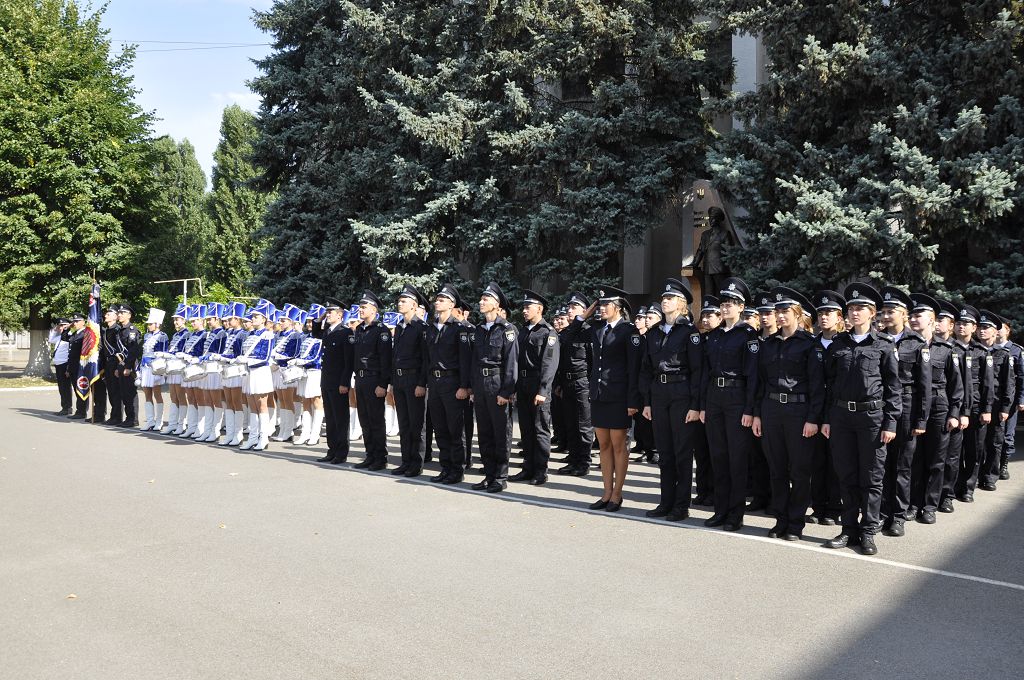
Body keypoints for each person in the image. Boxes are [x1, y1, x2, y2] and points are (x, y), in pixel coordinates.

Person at [822, 283, 901, 556]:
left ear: (872, 313)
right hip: (842, 417)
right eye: (851, 308)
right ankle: (848, 529)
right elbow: (829, 385)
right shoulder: (839, 344)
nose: (854, 313)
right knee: (846, 475)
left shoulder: (884, 345)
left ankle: (868, 532)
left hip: (872, 418)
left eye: (860, 308)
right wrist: (827, 419)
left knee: (872, 477)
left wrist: (891, 422)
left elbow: (893, 387)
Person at [751, 287, 825, 540]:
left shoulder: (809, 345)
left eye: (786, 311)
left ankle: (795, 523)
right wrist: (758, 414)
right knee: (777, 469)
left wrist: (813, 419)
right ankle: (780, 519)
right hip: (771, 410)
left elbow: (817, 386)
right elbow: (761, 383)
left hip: (799, 412)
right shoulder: (768, 345)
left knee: (800, 471)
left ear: (797, 314)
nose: (781, 316)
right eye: (778, 311)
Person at [640, 278, 702, 521]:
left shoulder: (689, 333)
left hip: (681, 394)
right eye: (664, 298)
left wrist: (695, 405)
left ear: (681, 303)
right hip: (659, 394)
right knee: (665, 452)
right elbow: (646, 369)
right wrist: (647, 401)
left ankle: (681, 505)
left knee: (682, 452)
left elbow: (697, 370)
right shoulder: (653, 333)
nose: (665, 301)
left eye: (670, 298)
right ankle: (666, 502)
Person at [700, 277, 759, 531]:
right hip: (715, 398)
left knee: (737, 459)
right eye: (723, 303)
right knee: (718, 457)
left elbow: (753, 375)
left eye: (731, 303)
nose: (725, 308)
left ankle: (735, 514)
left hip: (737, 398)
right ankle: (720, 510)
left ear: (741, 307)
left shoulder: (748, 335)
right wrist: (703, 405)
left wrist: (749, 409)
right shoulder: (714, 336)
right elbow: (705, 372)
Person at [878, 286, 931, 538]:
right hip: (882, 407)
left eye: (891, 312)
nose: (886, 316)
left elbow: (924, 385)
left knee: (902, 465)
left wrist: (921, 419)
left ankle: (898, 516)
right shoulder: (877, 340)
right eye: (884, 312)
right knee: (880, 464)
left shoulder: (917, 343)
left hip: (908, 406)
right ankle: (880, 512)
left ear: (904, 314)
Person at [907, 293, 963, 525]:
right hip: (913, 408)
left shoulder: (946, 349)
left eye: (918, 315)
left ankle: (930, 505)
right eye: (911, 315)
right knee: (913, 458)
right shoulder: (906, 346)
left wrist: (955, 413)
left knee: (936, 460)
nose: (913, 319)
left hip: (938, 408)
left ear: (931, 319)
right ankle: (913, 504)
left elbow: (956, 385)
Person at [584, 285, 641, 512]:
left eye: (606, 304)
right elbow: (570, 334)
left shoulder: (628, 331)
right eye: (599, 304)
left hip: (619, 396)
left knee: (619, 445)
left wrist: (633, 400)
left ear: (617, 307)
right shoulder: (598, 328)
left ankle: (617, 494)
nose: (601, 308)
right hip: (599, 394)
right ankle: (606, 492)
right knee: (604, 445)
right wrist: (585, 314)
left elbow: (634, 368)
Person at [469, 282, 519, 493]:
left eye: (486, 299)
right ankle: (489, 475)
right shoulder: (479, 329)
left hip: (497, 383)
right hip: (481, 385)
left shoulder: (507, 329)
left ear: (497, 304)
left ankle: (500, 476)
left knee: (501, 433)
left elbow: (511, 363)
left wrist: (506, 392)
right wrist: (473, 388)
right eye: (481, 298)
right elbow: (474, 361)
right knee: (484, 433)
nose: (481, 302)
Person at [424, 284, 473, 483]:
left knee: (455, 429)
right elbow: (427, 358)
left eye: (442, 300)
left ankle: (457, 470)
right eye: (437, 299)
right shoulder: (431, 328)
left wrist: (464, 386)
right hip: (435, 383)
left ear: (452, 305)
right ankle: (445, 467)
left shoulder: (459, 328)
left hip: (453, 382)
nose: (437, 302)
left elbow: (465, 360)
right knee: (440, 428)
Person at [509, 289, 559, 486]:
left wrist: (543, 390)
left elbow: (549, 363)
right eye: (523, 307)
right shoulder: (523, 331)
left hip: (537, 385)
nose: (524, 310)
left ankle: (540, 471)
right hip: (522, 384)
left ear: (539, 309)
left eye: (528, 307)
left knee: (540, 430)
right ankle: (527, 468)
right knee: (526, 429)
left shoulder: (548, 332)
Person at [808, 290, 846, 525]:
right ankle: (818, 506)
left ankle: (834, 508)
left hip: (836, 410)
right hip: (814, 409)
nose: (823, 317)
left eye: (829, 312)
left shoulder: (844, 344)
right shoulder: (811, 344)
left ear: (839, 317)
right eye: (821, 313)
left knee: (835, 462)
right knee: (816, 461)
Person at [951, 305, 993, 505]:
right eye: (959, 323)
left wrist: (987, 409)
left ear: (974, 327)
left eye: (966, 323)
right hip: (954, 407)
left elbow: (988, 383)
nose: (961, 326)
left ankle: (968, 488)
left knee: (974, 450)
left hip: (976, 408)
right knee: (954, 452)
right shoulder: (949, 348)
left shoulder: (981, 352)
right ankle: (953, 487)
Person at [390, 285, 429, 477]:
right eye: (399, 301)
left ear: (414, 305)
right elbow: (395, 356)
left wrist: (422, 383)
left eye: (404, 301)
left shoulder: (421, 328)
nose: (400, 304)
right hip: (399, 380)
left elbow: (425, 359)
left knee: (416, 425)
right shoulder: (399, 327)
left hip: (414, 380)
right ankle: (405, 461)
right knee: (404, 424)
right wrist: (392, 381)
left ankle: (416, 463)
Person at [350, 291, 392, 470]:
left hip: (374, 379)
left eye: (364, 307)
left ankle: (380, 458)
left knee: (376, 420)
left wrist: (383, 384)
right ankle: (370, 455)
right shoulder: (359, 329)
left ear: (374, 310)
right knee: (364, 419)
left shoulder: (381, 330)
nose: (360, 310)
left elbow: (385, 359)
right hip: (360, 379)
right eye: (360, 307)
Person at [555, 292, 595, 477]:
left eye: (574, 307)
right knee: (570, 424)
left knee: (583, 426)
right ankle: (573, 459)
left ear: (585, 311)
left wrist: (591, 386)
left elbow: (593, 362)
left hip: (582, 382)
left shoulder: (588, 331)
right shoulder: (568, 332)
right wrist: (559, 383)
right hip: (567, 382)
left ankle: (584, 462)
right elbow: (561, 357)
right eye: (569, 307)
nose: (570, 310)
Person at [976, 310, 1014, 491]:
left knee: (995, 442)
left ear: (995, 331)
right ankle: (975, 476)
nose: (982, 331)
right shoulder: (972, 352)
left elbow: (1009, 383)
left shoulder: (1004, 354)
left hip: (997, 404)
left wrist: (1005, 407)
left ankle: (990, 476)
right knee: (977, 443)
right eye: (980, 327)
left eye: (986, 327)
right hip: (977, 403)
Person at [692, 295, 721, 506]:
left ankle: (714, 491)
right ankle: (702, 489)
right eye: (703, 315)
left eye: (710, 315)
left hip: (716, 401)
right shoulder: (700, 340)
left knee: (714, 451)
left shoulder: (721, 340)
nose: (705, 319)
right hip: (700, 400)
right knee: (701, 450)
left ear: (720, 317)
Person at [317, 299, 354, 463]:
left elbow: (348, 361)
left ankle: (341, 452)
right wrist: (321, 317)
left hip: (339, 382)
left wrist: (344, 383)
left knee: (340, 418)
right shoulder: (328, 331)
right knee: (330, 418)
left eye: (330, 312)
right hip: (326, 380)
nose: (328, 315)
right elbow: (315, 331)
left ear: (340, 315)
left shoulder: (345, 332)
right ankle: (331, 450)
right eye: (327, 312)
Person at [238, 300, 277, 451]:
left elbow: (265, 357)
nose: (253, 318)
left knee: (261, 405)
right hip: (249, 372)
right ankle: (252, 437)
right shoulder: (250, 334)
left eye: (256, 316)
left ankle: (263, 437)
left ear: (263, 319)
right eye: (253, 316)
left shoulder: (268, 335)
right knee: (252, 405)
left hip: (260, 371)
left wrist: (247, 360)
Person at [218, 302, 249, 446]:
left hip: (236, 370)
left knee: (237, 401)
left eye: (231, 319)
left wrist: (227, 358)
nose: (228, 321)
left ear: (238, 319)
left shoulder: (243, 334)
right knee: (228, 401)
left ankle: (238, 434)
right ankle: (229, 434)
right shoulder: (228, 333)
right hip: (226, 368)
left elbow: (240, 354)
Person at [996, 321, 1024, 479]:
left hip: (1011, 399)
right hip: (993, 397)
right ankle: (992, 464)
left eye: (1001, 328)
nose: (997, 331)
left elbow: (1022, 377)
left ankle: (1004, 465)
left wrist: (1021, 399)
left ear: (1008, 331)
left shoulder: (1016, 350)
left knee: (1008, 434)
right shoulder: (989, 348)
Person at [161, 305, 191, 435]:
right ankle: (172, 424)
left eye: (177, 319)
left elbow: (185, 351)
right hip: (173, 367)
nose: (175, 322)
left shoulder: (187, 334)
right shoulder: (176, 335)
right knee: (173, 396)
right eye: (174, 320)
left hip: (180, 367)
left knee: (180, 396)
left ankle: (182, 424)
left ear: (184, 320)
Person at [138, 308, 168, 431]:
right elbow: (144, 352)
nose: (149, 325)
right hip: (145, 367)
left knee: (157, 394)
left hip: (155, 367)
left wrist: (160, 368)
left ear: (157, 324)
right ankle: (150, 421)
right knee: (147, 394)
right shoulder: (146, 335)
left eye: (151, 323)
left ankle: (159, 421)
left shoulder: (162, 336)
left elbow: (164, 352)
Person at [692, 206, 734, 296]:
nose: (711, 220)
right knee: (709, 295)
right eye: (710, 218)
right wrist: (694, 264)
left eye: (713, 218)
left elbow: (729, 252)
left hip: (720, 270)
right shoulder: (705, 234)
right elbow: (700, 250)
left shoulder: (725, 233)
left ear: (718, 220)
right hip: (707, 269)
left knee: (722, 294)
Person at [114, 304, 142, 428]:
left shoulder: (132, 330)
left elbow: (133, 350)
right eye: (119, 313)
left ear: (129, 315)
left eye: (122, 313)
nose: (119, 315)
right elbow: (119, 352)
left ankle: (133, 419)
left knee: (130, 392)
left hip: (129, 366)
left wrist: (128, 367)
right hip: (121, 365)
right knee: (124, 393)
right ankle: (128, 417)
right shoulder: (120, 330)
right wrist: (118, 367)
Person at [101, 305, 122, 425]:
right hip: (108, 362)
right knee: (111, 390)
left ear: (115, 317)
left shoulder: (117, 330)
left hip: (115, 361)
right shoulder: (106, 331)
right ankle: (113, 416)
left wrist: (118, 366)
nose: (106, 316)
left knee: (115, 391)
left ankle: (117, 417)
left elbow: (119, 349)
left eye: (108, 314)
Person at [65, 313, 89, 420]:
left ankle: (82, 411)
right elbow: (64, 338)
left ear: (83, 322)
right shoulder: (75, 334)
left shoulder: (85, 334)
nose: (75, 323)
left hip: (81, 367)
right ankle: (79, 410)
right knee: (76, 389)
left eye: (77, 321)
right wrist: (68, 328)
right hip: (73, 366)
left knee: (81, 389)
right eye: (74, 321)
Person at [49, 319, 72, 415]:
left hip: (64, 364)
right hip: (58, 364)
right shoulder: (59, 337)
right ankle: (64, 407)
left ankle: (67, 407)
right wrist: (55, 329)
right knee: (61, 387)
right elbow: (51, 339)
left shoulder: (69, 336)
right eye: (60, 325)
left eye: (63, 325)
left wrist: (68, 327)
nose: (61, 327)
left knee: (65, 387)